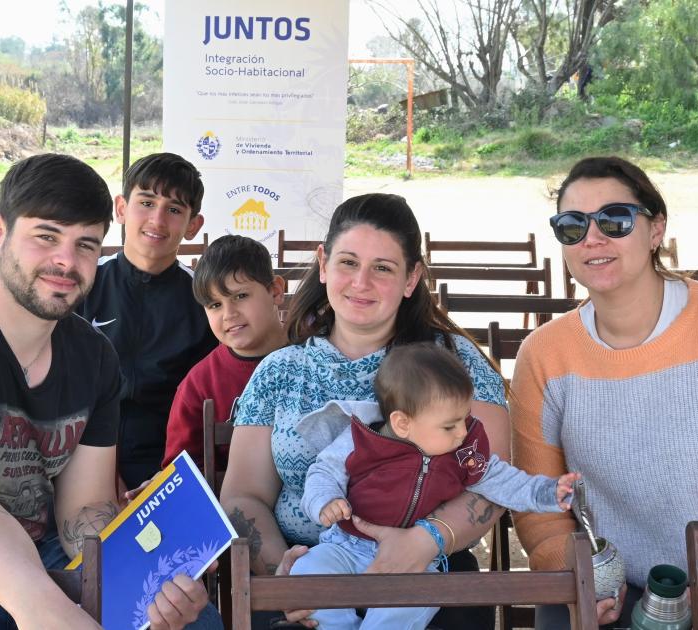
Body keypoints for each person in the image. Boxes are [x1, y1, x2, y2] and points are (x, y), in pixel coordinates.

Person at [0, 153, 220, 629]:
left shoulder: (93, 357)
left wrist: (146, 576)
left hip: (38, 565)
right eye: (46, 236)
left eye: (86, 244)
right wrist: (46, 612)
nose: (66, 261)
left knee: (196, 620)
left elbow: (83, 510)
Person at [511, 155, 698, 629]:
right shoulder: (543, 355)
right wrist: (582, 582)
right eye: (572, 225)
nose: (593, 238)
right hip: (609, 586)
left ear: (655, 229)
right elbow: (539, 504)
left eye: (615, 219)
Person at [219, 192, 511, 630]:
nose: (361, 282)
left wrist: (423, 542)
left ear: (412, 278)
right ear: (323, 264)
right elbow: (244, 495)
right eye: (348, 263)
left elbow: (491, 479)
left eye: (383, 268)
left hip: (425, 575)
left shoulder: (457, 362)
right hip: (305, 579)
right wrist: (288, 570)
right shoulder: (278, 371)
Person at [290, 342, 578, 630]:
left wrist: (546, 493)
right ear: (402, 424)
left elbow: (500, 479)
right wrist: (325, 500)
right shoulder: (362, 440)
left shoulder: (462, 451)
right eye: (450, 425)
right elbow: (324, 471)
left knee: (417, 600)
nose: (463, 432)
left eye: (465, 419)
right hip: (348, 546)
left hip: (416, 562)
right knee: (308, 573)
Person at [78, 152, 217, 490]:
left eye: (174, 210)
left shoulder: (205, 302)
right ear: (122, 208)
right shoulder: (80, 286)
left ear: (192, 226)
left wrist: (170, 477)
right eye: (146, 202)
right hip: (78, 460)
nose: (157, 220)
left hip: (168, 468)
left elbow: (212, 400)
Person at [162, 234, 287, 472]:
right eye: (215, 305)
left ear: (276, 291)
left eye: (240, 296)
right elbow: (182, 475)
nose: (229, 314)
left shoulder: (315, 360)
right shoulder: (198, 385)